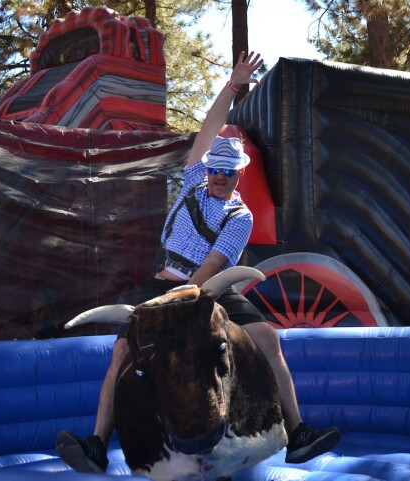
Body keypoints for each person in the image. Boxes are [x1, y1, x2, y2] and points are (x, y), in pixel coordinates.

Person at [56, 51, 341, 473]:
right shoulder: (193, 181)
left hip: (207, 288)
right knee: (120, 354)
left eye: (229, 172)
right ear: (207, 169)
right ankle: (97, 444)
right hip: (160, 286)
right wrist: (232, 85)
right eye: (216, 170)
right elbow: (209, 128)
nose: (220, 177)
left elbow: (212, 267)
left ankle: (298, 432)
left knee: (266, 338)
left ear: (240, 175)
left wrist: (181, 301)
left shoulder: (239, 216)